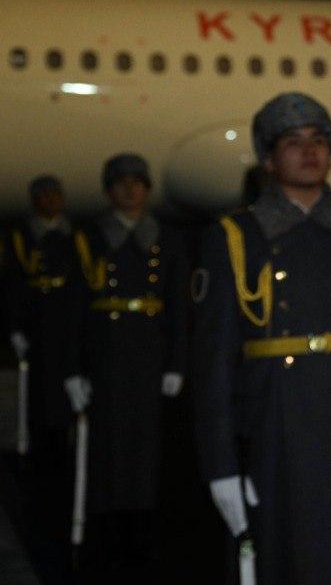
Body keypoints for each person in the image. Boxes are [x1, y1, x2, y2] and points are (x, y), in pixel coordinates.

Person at [192, 92, 331, 584]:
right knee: (276, 560)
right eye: (293, 142)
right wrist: (221, 464)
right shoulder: (234, 237)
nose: (309, 151)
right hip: (271, 421)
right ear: (269, 160)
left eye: (320, 140)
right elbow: (215, 362)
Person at [65, 153, 189, 563]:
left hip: (150, 349)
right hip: (107, 348)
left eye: (138, 182)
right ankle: (108, 521)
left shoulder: (168, 239)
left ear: (148, 189)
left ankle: (145, 520)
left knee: (148, 440)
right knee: (108, 440)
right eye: (121, 183)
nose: (130, 190)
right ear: (108, 190)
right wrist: (73, 369)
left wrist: (176, 362)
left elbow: (177, 304)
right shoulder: (90, 239)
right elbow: (75, 306)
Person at [3, 175, 79, 457]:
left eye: (54, 194)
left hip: (65, 314)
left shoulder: (74, 234)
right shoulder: (20, 235)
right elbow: (13, 282)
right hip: (35, 317)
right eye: (43, 195)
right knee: (37, 386)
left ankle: (64, 439)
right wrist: (14, 327)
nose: (49, 200)